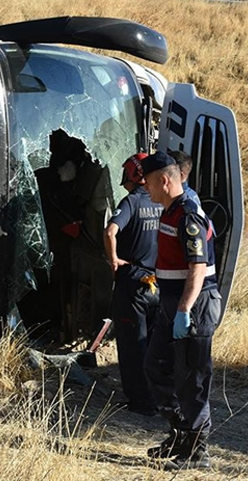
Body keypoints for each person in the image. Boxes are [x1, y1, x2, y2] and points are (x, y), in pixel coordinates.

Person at [140, 151, 222, 470]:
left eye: (148, 183)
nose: (146, 190)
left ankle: (198, 452)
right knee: (156, 366)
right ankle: (180, 434)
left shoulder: (188, 214)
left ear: (164, 179)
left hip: (194, 305)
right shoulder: (170, 210)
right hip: (172, 303)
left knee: (192, 378)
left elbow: (197, 267)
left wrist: (185, 310)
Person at [103, 153, 163, 416]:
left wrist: (113, 259)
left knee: (131, 346)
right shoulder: (162, 203)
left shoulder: (131, 203)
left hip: (134, 284)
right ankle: (157, 396)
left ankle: (141, 402)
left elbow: (110, 231)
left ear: (132, 175)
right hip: (159, 284)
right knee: (152, 344)